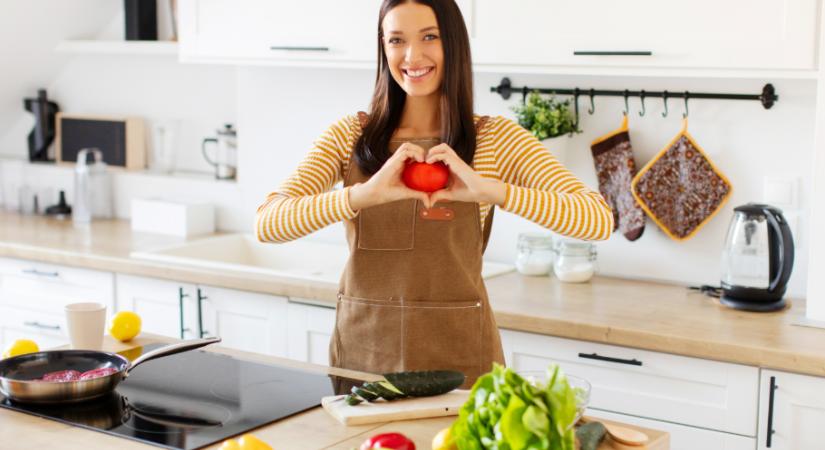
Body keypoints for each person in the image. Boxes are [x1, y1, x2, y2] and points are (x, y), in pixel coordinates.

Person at [256, 0, 614, 387]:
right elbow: (268, 223)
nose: (412, 56)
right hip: (364, 355)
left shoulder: (494, 140)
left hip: (460, 360)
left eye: (430, 36)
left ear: (454, 45)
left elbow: (596, 219)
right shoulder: (350, 136)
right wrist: (361, 196)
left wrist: (493, 191)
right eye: (396, 40)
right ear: (383, 48)